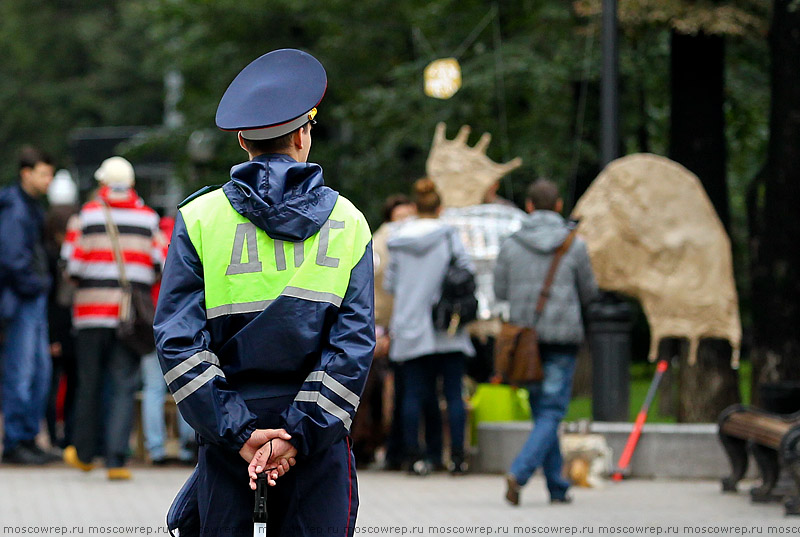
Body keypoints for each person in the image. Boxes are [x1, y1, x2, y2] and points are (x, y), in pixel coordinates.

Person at [154, 48, 375, 537]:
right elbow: (353, 348)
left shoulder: (199, 219)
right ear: (302, 134)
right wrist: (298, 434)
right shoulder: (348, 223)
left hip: (229, 445)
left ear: (241, 140)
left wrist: (241, 433)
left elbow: (178, 343)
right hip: (317, 452)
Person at [493, 178, 598, 506]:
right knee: (551, 411)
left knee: (544, 412)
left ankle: (556, 485)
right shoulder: (574, 244)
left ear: (528, 206)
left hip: (526, 341)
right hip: (562, 337)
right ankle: (520, 473)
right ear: (558, 205)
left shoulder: (511, 243)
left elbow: (499, 291)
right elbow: (589, 292)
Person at [61, 156, 164, 480]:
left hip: (91, 314)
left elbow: (71, 266)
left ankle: (85, 453)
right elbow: (159, 263)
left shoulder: (87, 216)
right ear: (132, 185)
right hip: (130, 319)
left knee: (89, 383)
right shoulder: (149, 219)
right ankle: (117, 460)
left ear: (103, 183)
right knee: (123, 384)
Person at [384, 178, 475, 476]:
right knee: (452, 394)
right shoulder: (449, 236)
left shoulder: (398, 239)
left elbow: (390, 283)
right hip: (447, 325)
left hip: (410, 325)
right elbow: (467, 271)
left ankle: (413, 458)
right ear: (440, 207)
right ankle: (458, 458)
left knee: (412, 394)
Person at [0, 146, 56, 465]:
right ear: (26, 173)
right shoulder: (16, 208)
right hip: (21, 300)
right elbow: (11, 257)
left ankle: (27, 437)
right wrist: (38, 284)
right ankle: (16, 441)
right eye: (43, 173)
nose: (48, 180)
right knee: (22, 372)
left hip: (30, 298)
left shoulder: (27, 206)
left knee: (38, 373)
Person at [140, 215, 196, 466]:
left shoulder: (151, 243)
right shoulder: (189, 242)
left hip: (152, 322)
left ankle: (155, 450)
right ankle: (187, 449)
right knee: (186, 387)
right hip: (181, 326)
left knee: (153, 389)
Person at [44, 170, 80, 449]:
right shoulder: (57, 258)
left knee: (52, 384)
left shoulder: (49, 254)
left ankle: (58, 436)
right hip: (66, 326)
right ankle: (65, 435)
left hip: (57, 327)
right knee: (67, 383)